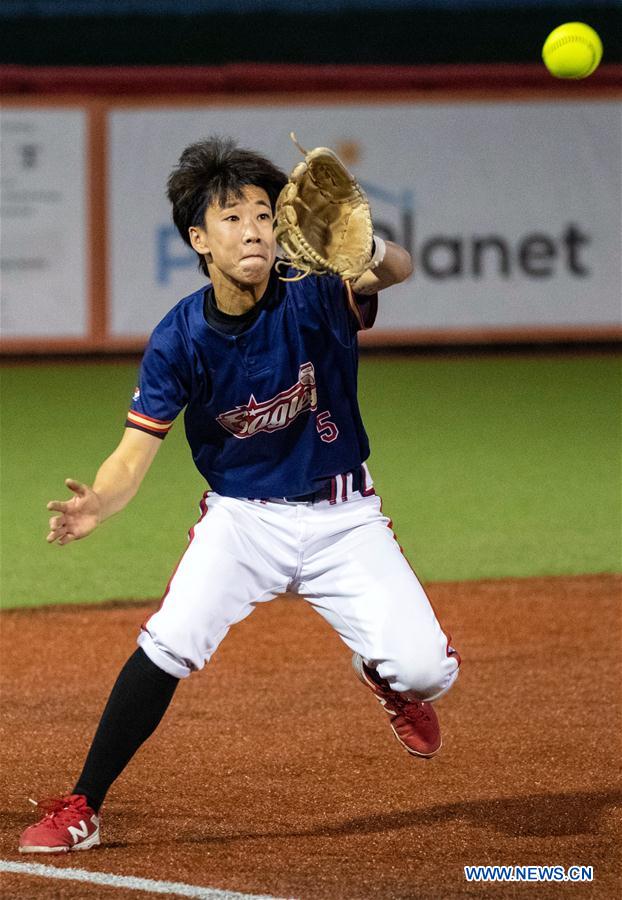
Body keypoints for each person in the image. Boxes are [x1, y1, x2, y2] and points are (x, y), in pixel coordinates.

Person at [19, 136, 460, 854]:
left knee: (427, 671)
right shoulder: (180, 337)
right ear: (199, 239)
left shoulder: (316, 292)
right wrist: (99, 501)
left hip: (344, 517)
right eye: (231, 217)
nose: (252, 228)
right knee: (167, 643)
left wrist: (368, 248)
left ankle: (386, 677)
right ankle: (82, 806)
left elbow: (399, 271)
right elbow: (134, 454)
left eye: (262, 213)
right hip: (242, 521)